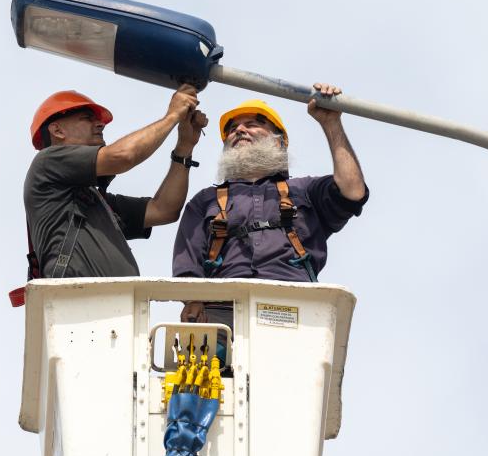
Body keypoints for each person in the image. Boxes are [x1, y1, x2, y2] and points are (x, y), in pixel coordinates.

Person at [173, 83, 368, 323]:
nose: (240, 130)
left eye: (253, 124)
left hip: (294, 310)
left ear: (279, 142)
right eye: (232, 128)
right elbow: (187, 269)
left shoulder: (305, 191)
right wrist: (193, 303)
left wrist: (331, 123)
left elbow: (353, 190)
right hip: (223, 313)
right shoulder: (205, 201)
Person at [23, 84, 208, 279]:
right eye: (87, 118)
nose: (100, 124)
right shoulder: (47, 162)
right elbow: (123, 156)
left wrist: (184, 147)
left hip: (112, 303)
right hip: (74, 301)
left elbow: (164, 210)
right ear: (57, 131)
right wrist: (171, 117)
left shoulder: (95, 201)